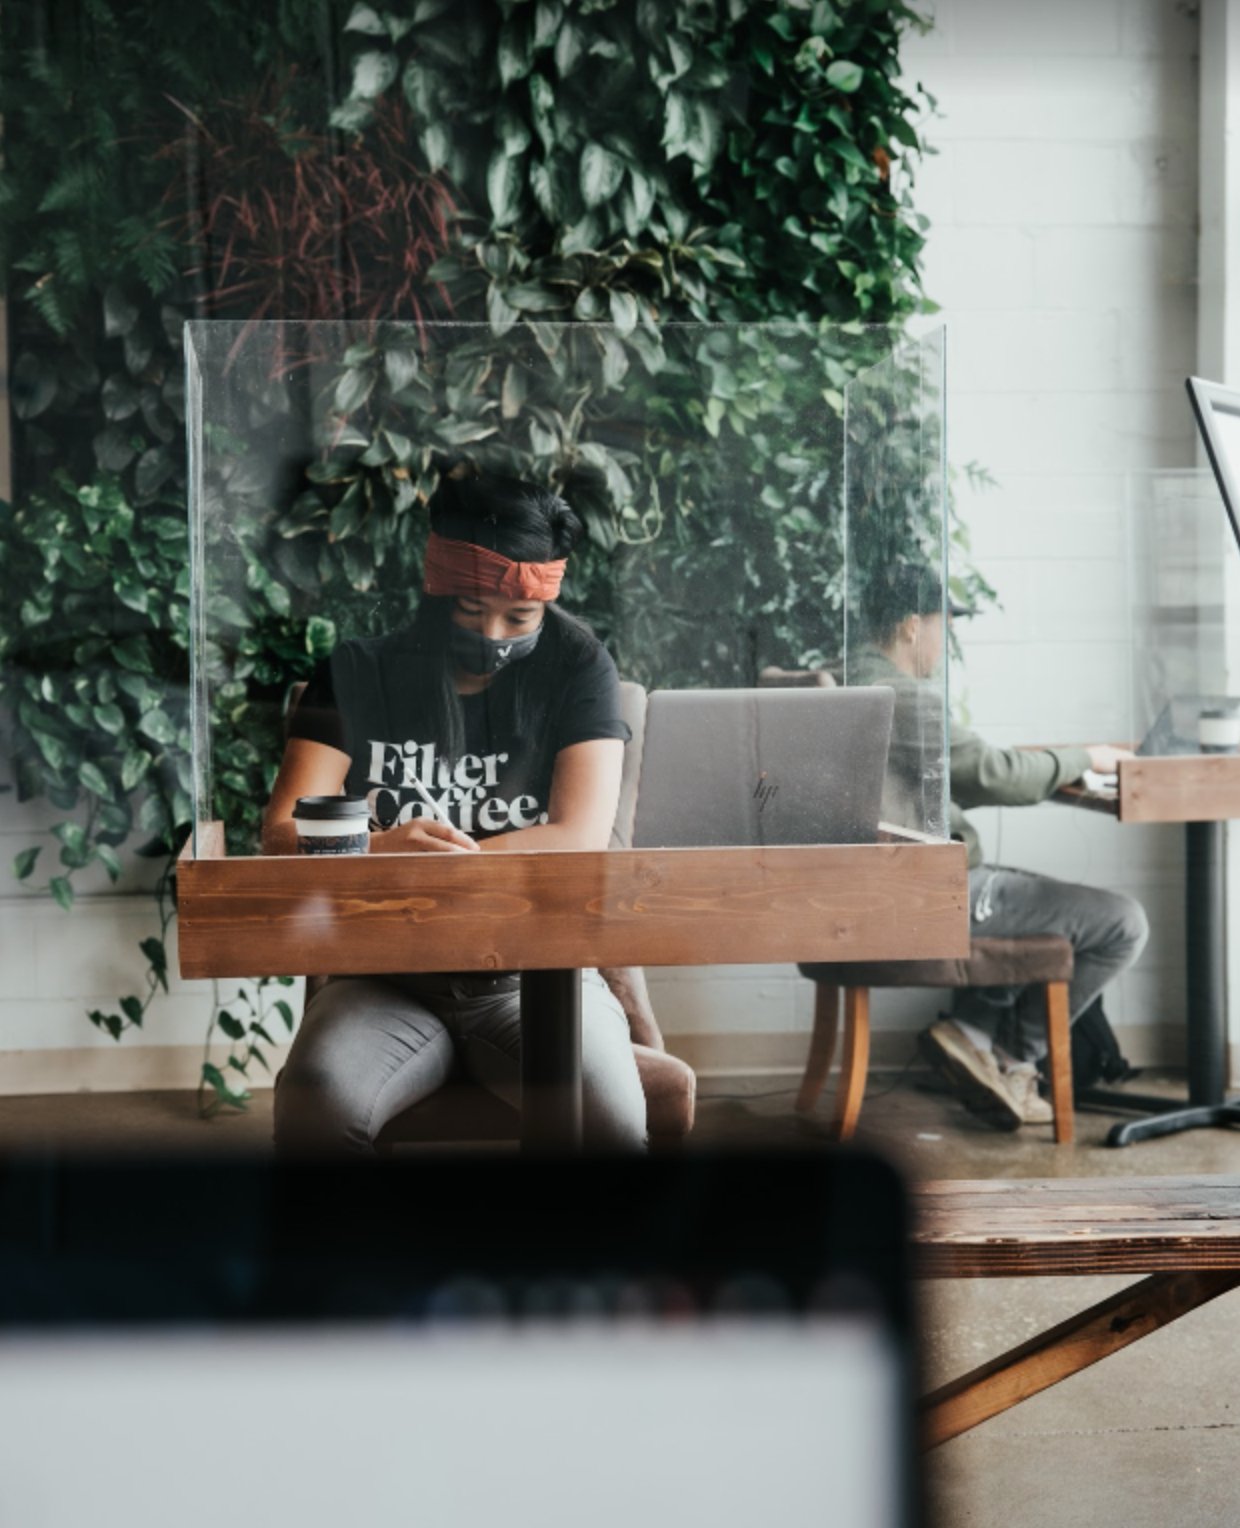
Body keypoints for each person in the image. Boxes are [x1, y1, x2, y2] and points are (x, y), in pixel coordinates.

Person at [263, 469, 656, 1152]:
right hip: (384, 980)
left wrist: (441, 865)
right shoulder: (357, 672)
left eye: (519, 618)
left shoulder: (578, 670)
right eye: (470, 612)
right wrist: (385, 849)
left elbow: (577, 837)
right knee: (318, 1106)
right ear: (435, 591)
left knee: (613, 1128)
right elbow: (280, 832)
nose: (493, 633)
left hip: (538, 978)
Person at [851, 563, 1149, 1131]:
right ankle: (1013, 1059)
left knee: (1033, 896)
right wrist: (1090, 756)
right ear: (914, 626)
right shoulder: (903, 697)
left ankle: (973, 1034)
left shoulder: (846, 676)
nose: (948, 640)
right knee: (1124, 922)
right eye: (946, 625)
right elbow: (994, 775)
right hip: (928, 893)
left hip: (887, 886)